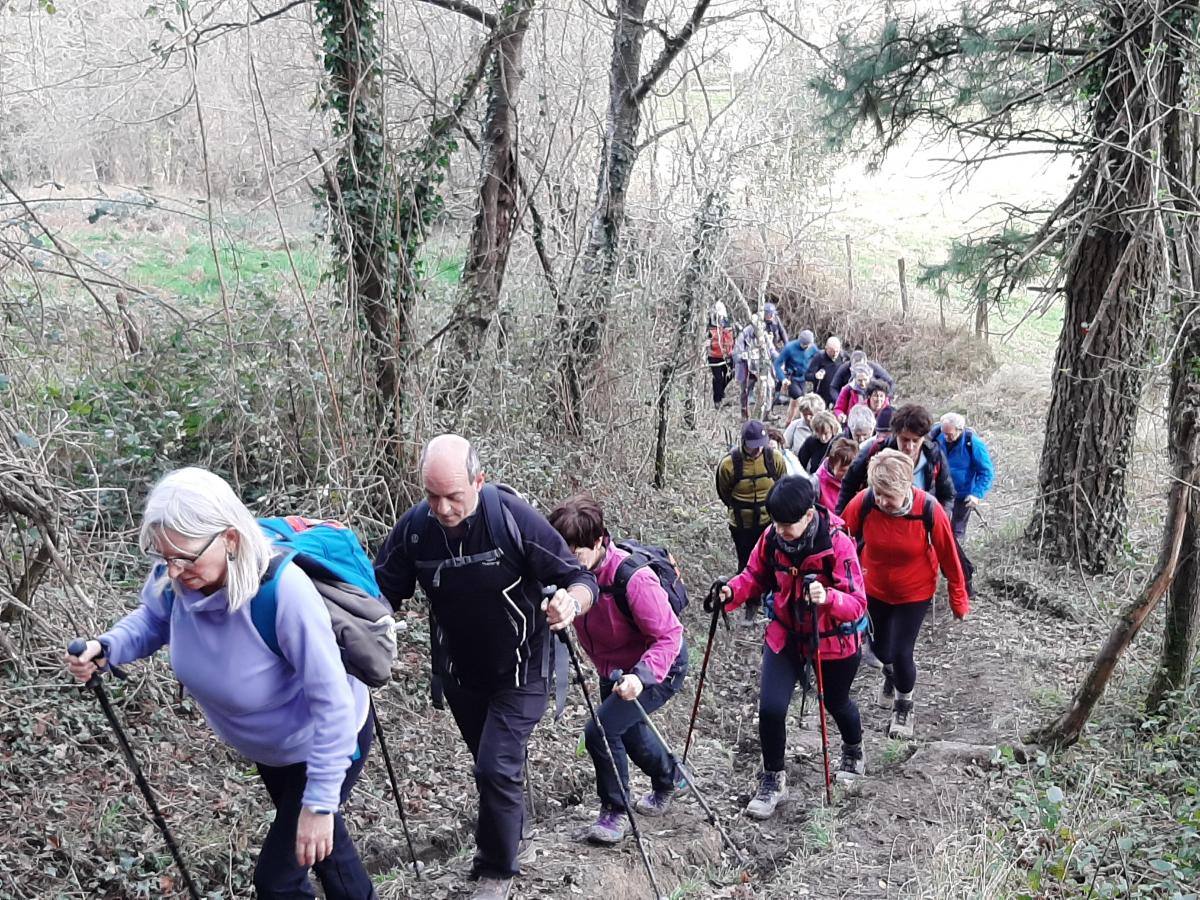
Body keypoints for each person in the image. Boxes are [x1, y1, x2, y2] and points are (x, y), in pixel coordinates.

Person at [64, 467, 378, 900]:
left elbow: (334, 705)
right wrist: (108, 647)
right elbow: (153, 619)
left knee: (278, 880)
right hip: (273, 749)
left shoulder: (284, 594)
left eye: (185, 558)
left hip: (323, 741)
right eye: (163, 557)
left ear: (230, 539)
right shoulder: (175, 577)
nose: (173, 570)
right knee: (320, 850)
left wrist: (321, 801)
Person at [374, 435, 598, 900]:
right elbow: (382, 591)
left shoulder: (511, 519)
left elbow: (579, 577)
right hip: (461, 673)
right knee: (491, 762)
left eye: (453, 496)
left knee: (494, 766)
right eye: (431, 495)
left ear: (479, 480)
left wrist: (570, 605)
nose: (443, 508)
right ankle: (516, 826)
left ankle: (497, 871)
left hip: (524, 666)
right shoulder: (416, 530)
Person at [715, 476, 868, 819]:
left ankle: (854, 749)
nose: (781, 530)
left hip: (831, 639)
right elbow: (754, 576)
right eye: (778, 524)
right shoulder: (771, 538)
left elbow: (857, 602)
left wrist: (828, 597)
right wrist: (730, 593)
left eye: (788, 524)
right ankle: (773, 780)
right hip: (785, 634)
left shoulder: (838, 544)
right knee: (770, 708)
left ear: (809, 514)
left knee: (837, 702)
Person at [546, 497, 687, 844]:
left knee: (600, 732)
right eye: (563, 552)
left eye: (576, 552)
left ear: (598, 542)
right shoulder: (569, 575)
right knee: (629, 732)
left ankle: (614, 812)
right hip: (613, 669)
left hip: (658, 666)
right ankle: (671, 777)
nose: (569, 561)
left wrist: (641, 677)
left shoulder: (632, 579)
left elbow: (670, 635)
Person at [841, 450, 969, 739]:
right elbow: (840, 535)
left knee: (901, 653)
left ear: (906, 488)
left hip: (914, 590)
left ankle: (904, 706)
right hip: (873, 587)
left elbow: (950, 556)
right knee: (879, 651)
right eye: (879, 493)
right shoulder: (864, 503)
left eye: (890, 495)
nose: (883, 501)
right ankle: (891, 675)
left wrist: (958, 596)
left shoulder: (929, 509)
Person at [715, 420, 788, 621]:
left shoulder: (774, 458)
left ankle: (775, 603)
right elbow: (724, 492)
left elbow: (783, 485)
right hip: (742, 525)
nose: (757, 449)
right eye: (753, 444)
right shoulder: (729, 464)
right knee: (747, 564)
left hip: (769, 523)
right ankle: (751, 604)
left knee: (775, 562)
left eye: (760, 443)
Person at [835, 404, 955, 516]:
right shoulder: (875, 451)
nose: (910, 447)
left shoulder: (934, 456)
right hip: (878, 523)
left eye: (916, 440)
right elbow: (849, 485)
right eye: (905, 440)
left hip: (919, 527)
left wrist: (939, 520)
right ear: (895, 434)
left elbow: (947, 495)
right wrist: (842, 523)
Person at [932, 412, 996, 541]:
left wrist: (977, 494)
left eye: (949, 434)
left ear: (959, 430)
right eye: (944, 433)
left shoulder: (973, 444)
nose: (945, 437)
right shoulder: (936, 436)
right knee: (936, 527)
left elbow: (986, 472)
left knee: (956, 533)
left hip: (961, 495)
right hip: (939, 492)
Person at [734, 315, 778, 420]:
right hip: (746, 367)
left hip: (762, 365)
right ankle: (744, 413)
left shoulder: (764, 335)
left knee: (769, 386)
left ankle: (768, 412)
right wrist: (743, 356)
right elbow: (736, 353)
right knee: (745, 389)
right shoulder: (744, 334)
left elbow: (771, 350)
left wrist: (779, 358)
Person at [772, 330, 818, 424]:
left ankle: (788, 422)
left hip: (803, 378)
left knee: (794, 403)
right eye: (805, 345)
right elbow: (777, 363)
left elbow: (819, 357)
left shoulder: (812, 348)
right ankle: (806, 423)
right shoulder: (789, 348)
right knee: (801, 400)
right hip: (791, 379)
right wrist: (783, 378)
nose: (807, 347)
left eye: (809, 345)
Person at [829, 350, 895, 399]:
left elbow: (890, 382)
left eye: (862, 367)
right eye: (856, 367)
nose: (859, 370)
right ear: (851, 364)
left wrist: (887, 398)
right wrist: (839, 401)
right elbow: (833, 387)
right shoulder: (844, 369)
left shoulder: (874, 367)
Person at [705, 302, 736, 408]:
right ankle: (717, 400)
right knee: (717, 378)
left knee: (732, 373)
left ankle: (721, 391)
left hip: (727, 355)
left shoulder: (729, 324)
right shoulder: (709, 327)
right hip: (714, 356)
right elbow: (707, 342)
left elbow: (734, 338)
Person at [806, 336, 849, 407]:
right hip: (822, 395)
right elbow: (807, 375)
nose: (835, 354)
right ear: (826, 348)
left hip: (837, 394)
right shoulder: (819, 357)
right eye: (832, 351)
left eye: (837, 351)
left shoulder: (844, 357)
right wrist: (816, 376)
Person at [816, 437, 859, 510]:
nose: (847, 474)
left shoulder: (859, 479)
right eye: (842, 470)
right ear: (832, 465)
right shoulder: (817, 483)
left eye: (851, 470)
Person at [797, 410, 839, 475]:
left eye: (826, 433)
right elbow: (800, 464)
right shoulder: (811, 441)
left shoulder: (839, 442)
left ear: (832, 429)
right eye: (819, 434)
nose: (823, 438)